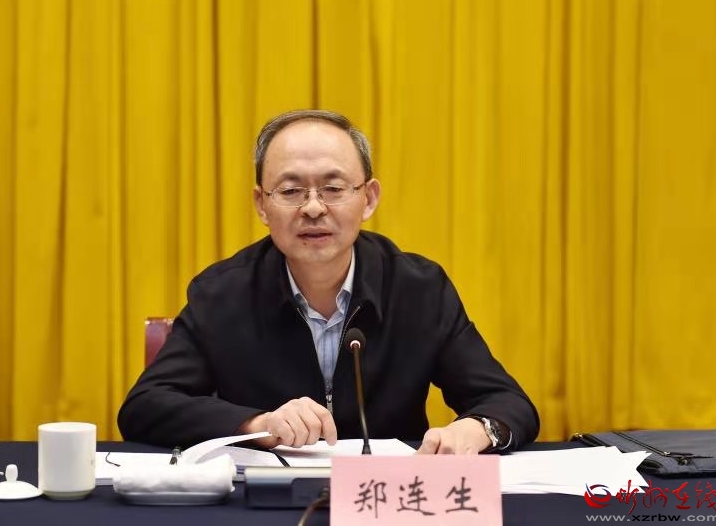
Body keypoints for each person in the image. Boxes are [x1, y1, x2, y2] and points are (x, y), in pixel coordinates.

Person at [118, 109, 539, 454]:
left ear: (368, 198)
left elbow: (507, 402)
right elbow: (145, 407)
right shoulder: (222, 293)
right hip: (268, 501)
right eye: (291, 191)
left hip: (384, 505)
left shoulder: (419, 289)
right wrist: (256, 425)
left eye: (334, 188)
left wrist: (478, 428)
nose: (314, 208)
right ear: (261, 204)